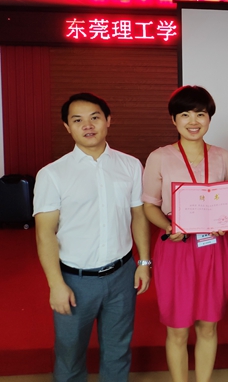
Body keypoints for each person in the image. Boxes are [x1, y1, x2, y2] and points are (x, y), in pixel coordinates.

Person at [34, 93, 151, 382]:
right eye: (78, 120)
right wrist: (56, 284)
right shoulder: (52, 174)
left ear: (108, 121)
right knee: (70, 353)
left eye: (95, 117)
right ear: (67, 127)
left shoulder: (130, 165)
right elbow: (45, 233)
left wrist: (144, 262)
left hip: (122, 275)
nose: (88, 125)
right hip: (75, 280)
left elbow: (138, 215)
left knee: (118, 350)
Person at [142, 86, 228, 382]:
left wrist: (226, 221)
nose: (193, 121)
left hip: (212, 248)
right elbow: (150, 205)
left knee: (208, 325)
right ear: (173, 119)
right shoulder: (160, 157)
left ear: (209, 118)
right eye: (185, 114)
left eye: (200, 114)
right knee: (178, 329)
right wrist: (168, 227)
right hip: (175, 247)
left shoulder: (221, 156)